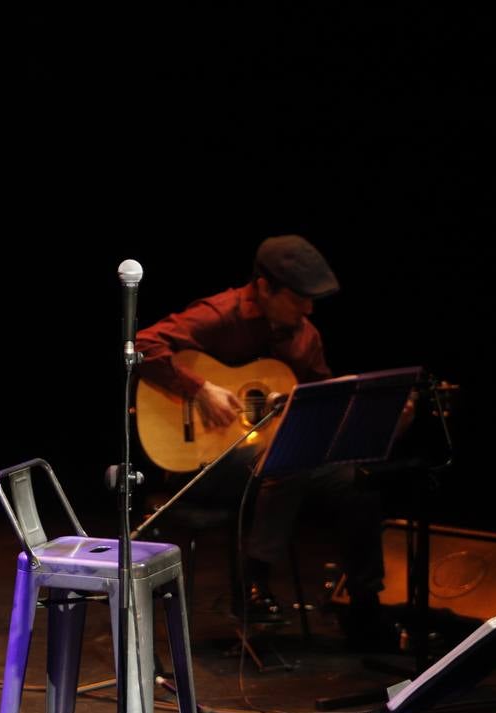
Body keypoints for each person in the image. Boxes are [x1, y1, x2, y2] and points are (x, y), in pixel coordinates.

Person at [136, 235, 386, 646]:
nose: (308, 309)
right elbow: (144, 346)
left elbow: (321, 404)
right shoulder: (221, 314)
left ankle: (363, 601)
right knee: (285, 461)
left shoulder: (306, 338)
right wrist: (200, 389)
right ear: (264, 287)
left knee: (355, 479)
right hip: (201, 463)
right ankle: (253, 582)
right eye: (298, 298)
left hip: (273, 465)